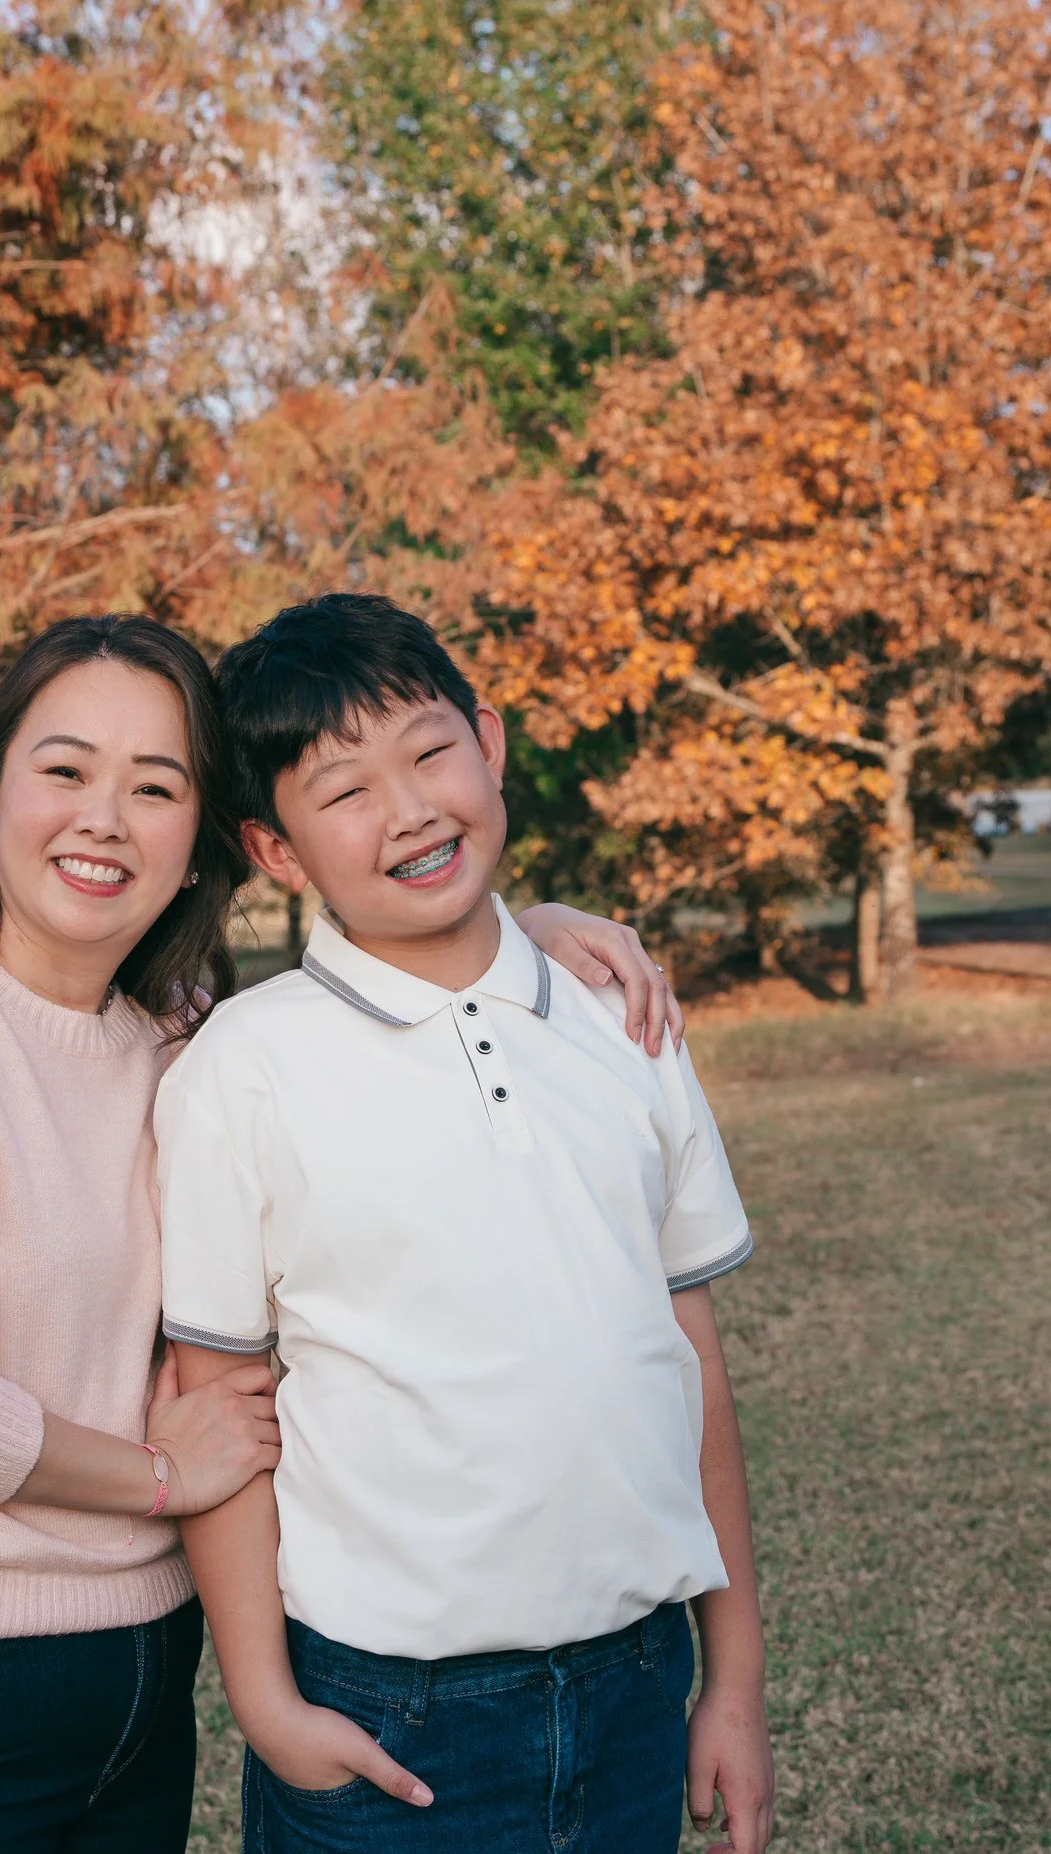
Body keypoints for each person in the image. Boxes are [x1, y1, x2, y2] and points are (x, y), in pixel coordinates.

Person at [0, 613, 682, 1854]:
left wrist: (523, 935)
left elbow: (397, 966)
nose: (103, 819)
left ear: (203, 847)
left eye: (155, 786)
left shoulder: (172, 1029)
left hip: (133, 1677)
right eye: (63, 771)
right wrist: (161, 1478)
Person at [160, 593, 776, 1854]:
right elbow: (212, 1397)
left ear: (487, 743)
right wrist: (269, 1709)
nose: (409, 810)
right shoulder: (246, 1068)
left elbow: (686, 1357)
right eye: (342, 791)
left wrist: (735, 1682)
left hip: (635, 1683)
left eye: (430, 751)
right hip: (390, 1710)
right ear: (274, 851)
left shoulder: (619, 1011)